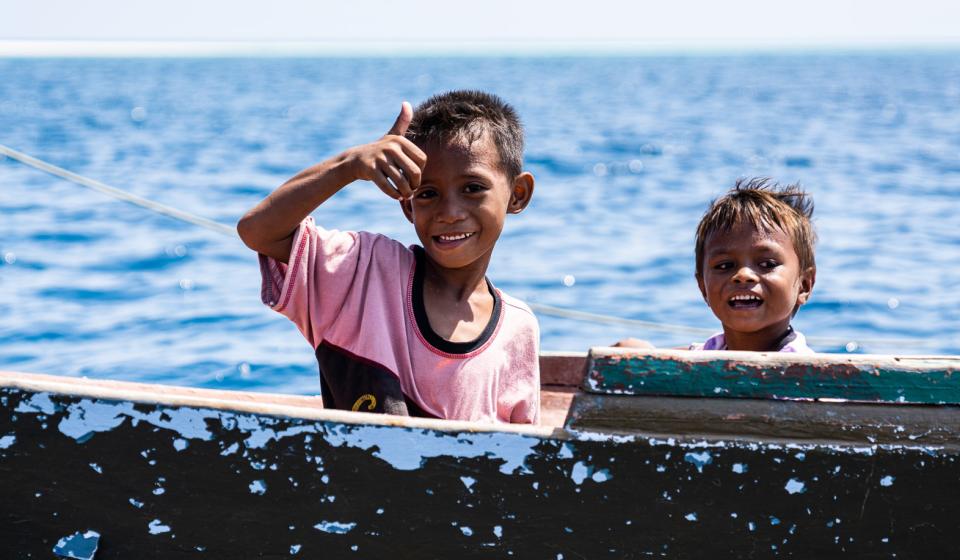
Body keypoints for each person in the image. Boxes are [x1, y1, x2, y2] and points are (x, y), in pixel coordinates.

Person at [237, 90, 540, 423]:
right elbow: (258, 231)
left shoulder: (518, 327)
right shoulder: (361, 271)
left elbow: (519, 453)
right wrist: (349, 165)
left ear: (517, 194)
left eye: (472, 188)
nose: (450, 213)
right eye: (427, 193)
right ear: (407, 206)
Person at [617, 178, 817, 353]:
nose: (743, 275)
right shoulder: (709, 353)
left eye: (767, 264)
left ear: (804, 285)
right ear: (703, 287)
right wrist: (641, 353)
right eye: (724, 266)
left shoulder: (810, 377)